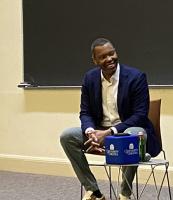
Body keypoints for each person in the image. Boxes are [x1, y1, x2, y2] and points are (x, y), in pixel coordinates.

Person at [60, 38, 161, 200]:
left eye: (111, 53)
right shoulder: (89, 78)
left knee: (133, 134)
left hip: (127, 131)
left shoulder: (136, 77)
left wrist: (109, 132)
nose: (109, 59)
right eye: (103, 57)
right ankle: (94, 191)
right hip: (100, 132)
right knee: (67, 136)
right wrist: (91, 131)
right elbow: (85, 112)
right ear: (95, 61)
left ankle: (124, 194)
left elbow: (140, 116)